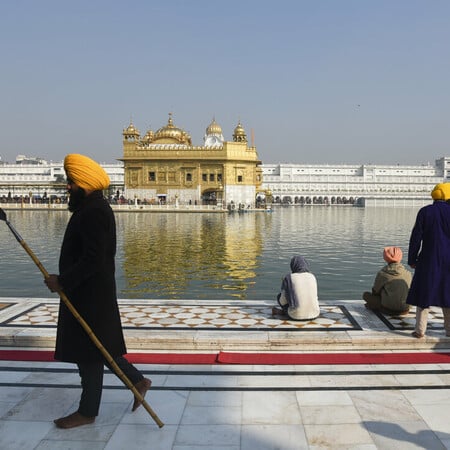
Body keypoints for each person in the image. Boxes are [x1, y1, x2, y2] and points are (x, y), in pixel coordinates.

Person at [45, 153, 151, 429]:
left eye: (71, 182)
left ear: (85, 183)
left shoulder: (93, 212)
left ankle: (88, 411)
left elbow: (94, 258)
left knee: (89, 353)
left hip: (89, 294)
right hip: (90, 292)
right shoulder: (92, 208)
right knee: (99, 347)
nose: (68, 187)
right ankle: (136, 380)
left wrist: (63, 281)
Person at [406, 182, 450, 338]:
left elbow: (416, 238)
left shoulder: (425, 212)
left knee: (423, 293)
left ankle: (420, 330)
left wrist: (412, 258)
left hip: (428, 259)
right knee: (448, 293)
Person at [362, 246, 412, 314]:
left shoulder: (383, 273)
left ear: (385, 258)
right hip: (405, 308)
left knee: (365, 295)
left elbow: (375, 292)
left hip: (387, 308)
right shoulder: (408, 273)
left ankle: (375, 306)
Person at [272, 255, 320, 320]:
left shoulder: (289, 278)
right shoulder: (312, 276)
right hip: (315, 313)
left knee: (279, 296)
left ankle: (285, 312)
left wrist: (285, 286)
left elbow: (282, 301)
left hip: (296, 316)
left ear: (293, 265)